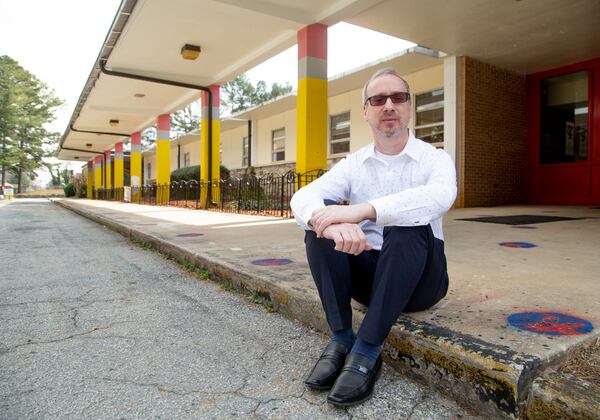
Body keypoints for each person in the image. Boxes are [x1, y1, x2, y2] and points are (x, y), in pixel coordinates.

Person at [290, 67, 457, 407]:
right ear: (366, 111)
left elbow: (440, 197)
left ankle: (367, 348)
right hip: (371, 280)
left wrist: (360, 211)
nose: (389, 106)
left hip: (422, 281)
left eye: (398, 97)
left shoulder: (434, 159)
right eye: (378, 99)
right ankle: (340, 338)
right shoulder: (354, 163)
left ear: (409, 107)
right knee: (318, 229)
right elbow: (302, 198)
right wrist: (331, 224)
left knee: (406, 222)